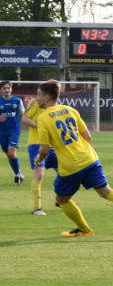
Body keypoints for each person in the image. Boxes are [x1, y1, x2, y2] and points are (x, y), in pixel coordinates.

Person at [32, 79, 113, 238]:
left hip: (70, 167)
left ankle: (84, 229)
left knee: (62, 199)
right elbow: (87, 137)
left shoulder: (43, 118)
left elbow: (45, 150)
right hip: (90, 158)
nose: (36, 98)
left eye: (38, 95)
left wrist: (39, 158)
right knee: (106, 191)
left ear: (46, 98)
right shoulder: (70, 110)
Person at [21, 87, 60, 215]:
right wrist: (39, 126)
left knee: (65, 173)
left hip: (51, 144)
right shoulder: (36, 102)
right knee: (39, 174)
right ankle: (36, 208)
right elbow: (24, 118)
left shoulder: (55, 105)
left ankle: (60, 195)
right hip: (36, 143)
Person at [0, 80, 25, 186]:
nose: (6, 90)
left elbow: (23, 114)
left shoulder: (17, 101)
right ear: (0, 90)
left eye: (8, 88)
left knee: (11, 153)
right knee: (9, 155)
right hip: (2, 131)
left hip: (14, 130)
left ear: (11, 89)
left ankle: (16, 175)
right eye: (4, 88)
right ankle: (19, 173)